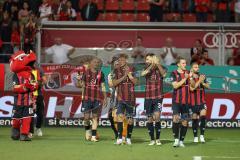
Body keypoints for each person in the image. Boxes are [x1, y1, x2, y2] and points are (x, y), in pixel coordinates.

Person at [77, 57, 107, 142]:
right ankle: (87, 131)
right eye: (94, 62)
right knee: (86, 118)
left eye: (97, 62)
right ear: (90, 63)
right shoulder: (85, 73)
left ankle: (93, 136)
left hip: (97, 98)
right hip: (86, 98)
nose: (96, 64)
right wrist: (79, 80)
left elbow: (103, 86)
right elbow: (80, 85)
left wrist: (105, 98)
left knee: (95, 117)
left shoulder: (101, 73)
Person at [141, 53, 166, 146]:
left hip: (158, 97)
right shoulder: (146, 68)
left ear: (153, 59)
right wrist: (152, 65)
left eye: (148, 59)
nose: (146, 61)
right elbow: (143, 74)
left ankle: (158, 139)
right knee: (150, 119)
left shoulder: (161, 68)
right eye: (146, 59)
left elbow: (164, 74)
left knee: (157, 116)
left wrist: (158, 64)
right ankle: (152, 139)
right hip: (148, 97)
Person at [113, 53, 138, 145]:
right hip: (120, 98)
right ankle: (119, 138)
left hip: (131, 98)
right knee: (119, 116)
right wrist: (124, 76)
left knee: (130, 119)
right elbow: (114, 83)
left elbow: (136, 82)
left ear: (126, 60)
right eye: (119, 60)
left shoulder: (133, 69)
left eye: (122, 60)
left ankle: (128, 138)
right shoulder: (116, 71)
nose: (120, 62)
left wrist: (130, 75)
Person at [171, 57, 190, 147]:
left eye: (185, 63)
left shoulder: (189, 73)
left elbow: (193, 86)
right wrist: (185, 79)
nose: (184, 65)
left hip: (186, 102)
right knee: (176, 118)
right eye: (183, 63)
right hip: (176, 101)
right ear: (178, 64)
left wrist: (193, 79)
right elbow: (175, 86)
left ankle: (181, 141)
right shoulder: (174, 73)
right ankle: (176, 140)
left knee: (185, 122)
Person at [189, 63, 209, 143]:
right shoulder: (190, 77)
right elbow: (192, 89)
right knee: (194, 119)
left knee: (203, 116)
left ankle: (202, 136)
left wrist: (203, 83)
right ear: (192, 68)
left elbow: (208, 86)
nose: (197, 68)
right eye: (195, 67)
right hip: (193, 102)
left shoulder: (202, 76)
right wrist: (200, 81)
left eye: (198, 67)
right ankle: (195, 137)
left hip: (202, 101)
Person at [29, 61, 47, 137]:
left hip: (38, 95)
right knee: (30, 113)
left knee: (40, 113)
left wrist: (38, 85)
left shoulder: (39, 69)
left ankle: (38, 128)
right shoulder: (25, 70)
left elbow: (45, 81)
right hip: (28, 95)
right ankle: (30, 131)